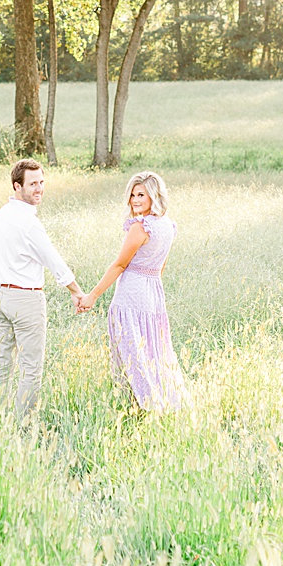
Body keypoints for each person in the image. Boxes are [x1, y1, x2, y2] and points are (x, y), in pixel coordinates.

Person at [77, 171, 189, 412]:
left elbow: (120, 264)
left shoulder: (141, 227)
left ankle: (144, 407)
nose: (135, 200)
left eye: (141, 194)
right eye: (132, 194)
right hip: (153, 295)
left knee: (132, 357)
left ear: (154, 196)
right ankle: (161, 403)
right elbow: (161, 267)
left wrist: (92, 296)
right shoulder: (168, 225)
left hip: (131, 296)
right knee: (154, 352)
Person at [0, 158, 81, 421]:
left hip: (2, 296)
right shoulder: (28, 224)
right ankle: (24, 426)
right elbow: (53, 259)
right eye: (32, 184)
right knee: (31, 367)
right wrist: (75, 290)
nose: (39, 189)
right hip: (26, 299)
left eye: (41, 182)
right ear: (17, 186)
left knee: (3, 362)